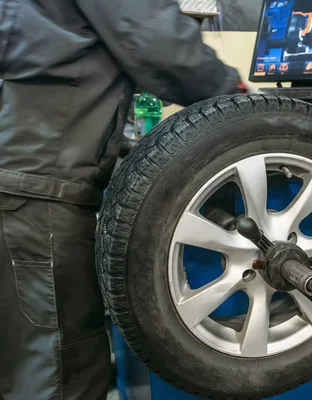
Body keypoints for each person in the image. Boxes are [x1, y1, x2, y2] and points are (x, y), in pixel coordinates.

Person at [0, 1, 248, 398]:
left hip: (21, 179)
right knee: (61, 369)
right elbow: (156, 39)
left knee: (22, 359)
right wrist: (238, 97)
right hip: (40, 192)